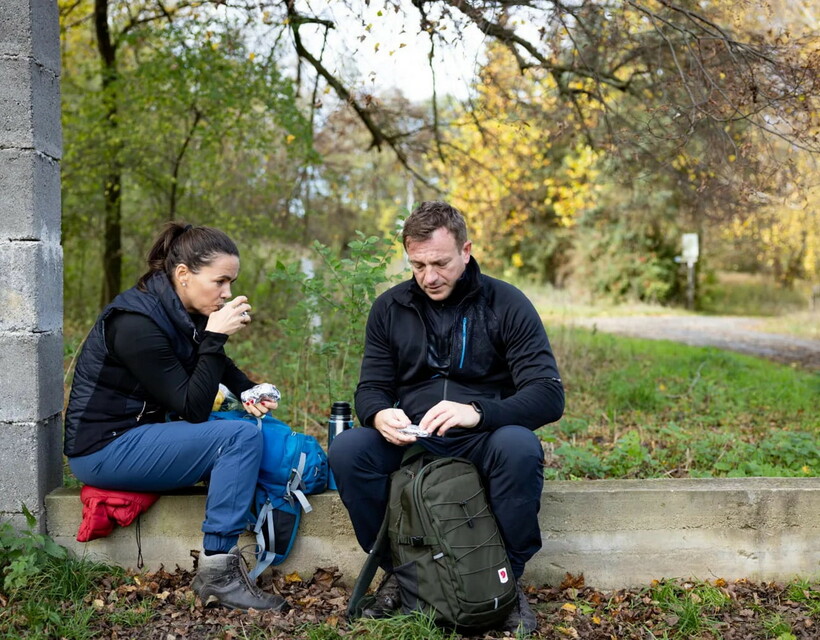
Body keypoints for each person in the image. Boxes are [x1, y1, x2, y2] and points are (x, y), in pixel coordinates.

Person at [329, 201, 564, 634]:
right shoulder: (389, 307)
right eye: (417, 265)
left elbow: (548, 395)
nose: (429, 276)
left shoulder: (506, 303)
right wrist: (378, 414)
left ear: (466, 250)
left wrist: (478, 412)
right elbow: (371, 387)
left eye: (440, 262)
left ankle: (506, 582)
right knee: (348, 449)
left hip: (482, 436)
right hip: (413, 437)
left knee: (519, 446)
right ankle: (399, 574)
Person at [64, 222, 285, 612]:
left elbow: (211, 363)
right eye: (220, 282)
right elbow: (193, 407)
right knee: (239, 438)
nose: (228, 293)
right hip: (103, 449)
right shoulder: (135, 323)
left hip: (142, 434)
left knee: (246, 428)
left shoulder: (178, 308)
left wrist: (247, 388)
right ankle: (218, 573)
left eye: (231, 282)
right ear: (183, 274)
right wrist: (216, 337)